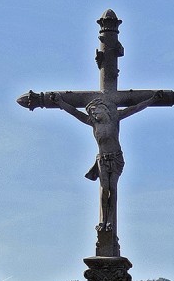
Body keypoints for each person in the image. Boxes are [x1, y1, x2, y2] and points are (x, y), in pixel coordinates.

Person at [51, 91, 165, 234]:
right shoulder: (93, 123)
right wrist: (60, 102)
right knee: (104, 190)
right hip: (102, 160)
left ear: (103, 108)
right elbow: (74, 112)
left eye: (95, 111)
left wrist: (152, 99)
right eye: (91, 113)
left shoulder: (115, 117)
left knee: (112, 188)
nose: (93, 114)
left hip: (116, 159)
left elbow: (135, 108)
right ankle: (103, 221)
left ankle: (110, 220)